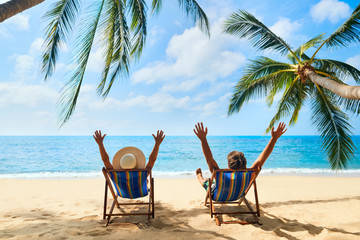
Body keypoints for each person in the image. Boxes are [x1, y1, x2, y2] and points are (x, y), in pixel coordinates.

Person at [193, 122, 287, 194]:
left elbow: (209, 159)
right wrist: (274, 139)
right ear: (245, 163)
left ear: (228, 164)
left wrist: (203, 139)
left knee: (206, 182)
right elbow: (261, 159)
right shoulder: (249, 174)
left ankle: (199, 176)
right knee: (214, 181)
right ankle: (204, 178)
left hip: (219, 195)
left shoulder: (220, 175)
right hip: (238, 194)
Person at [93, 130, 165, 171]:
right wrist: (157, 144)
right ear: (136, 162)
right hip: (138, 192)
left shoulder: (116, 175)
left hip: (123, 193)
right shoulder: (142, 174)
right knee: (147, 180)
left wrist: (100, 144)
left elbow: (105, 160)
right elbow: (152, 160)